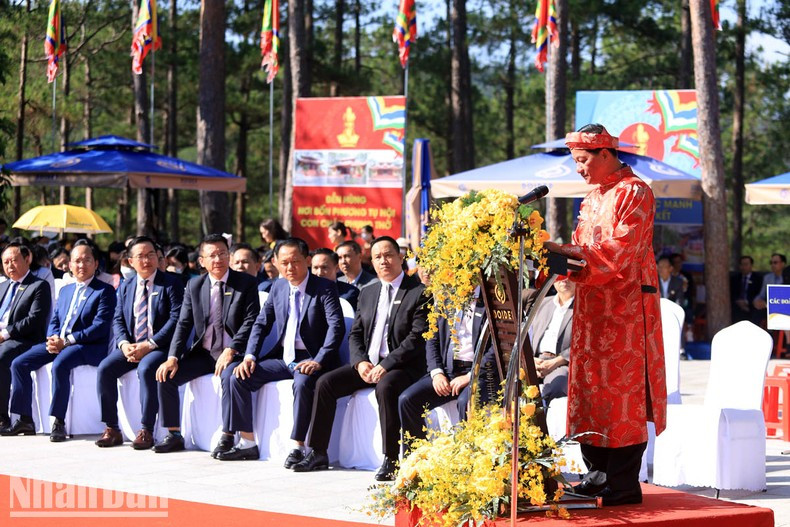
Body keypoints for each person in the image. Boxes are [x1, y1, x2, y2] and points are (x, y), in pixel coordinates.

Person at [543, 124, 666, 506]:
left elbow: (619, 249)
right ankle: (596, 474)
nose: (579, 169)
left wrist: (563, 257)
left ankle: (625, 483)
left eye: (582, 161)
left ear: (605, 154)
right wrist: (550, 251)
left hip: (627, 307)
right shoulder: (593, 197)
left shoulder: (635, 192)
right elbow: (582, 246)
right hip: (594, 306)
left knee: (623, 395)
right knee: (591, 389)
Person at [293, 236, 429, 481]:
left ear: (401, 257)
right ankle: (318, 451)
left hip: (403, 367)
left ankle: (391, 458)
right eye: (377, 257)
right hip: (369, 364)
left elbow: (416, 339)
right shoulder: (368, 292)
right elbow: (355, 334)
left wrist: (385, 365)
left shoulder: (419, 292)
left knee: (386, 387)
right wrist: (360, 362)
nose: (383, 261)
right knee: (326, 383)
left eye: (388, 255)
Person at [212, 238, 344, 463]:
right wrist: (250, 356)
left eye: (296, 261)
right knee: (238, 375)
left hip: (312, 358)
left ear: (308, 260)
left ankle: (298, 447)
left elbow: (336, 327)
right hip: (284, 357)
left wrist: (319, 360)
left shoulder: (324, 287)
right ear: (275, 262)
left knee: (303, 382)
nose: (290, 268)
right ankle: (247, 443)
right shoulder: (279, 286)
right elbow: (261, 324)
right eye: (284, 263)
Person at [153, 234, 259, 453]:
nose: (218, 259)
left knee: (231, 377)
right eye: (212, 255)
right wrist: (172, 357)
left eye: (222, 253)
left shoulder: (245, 283)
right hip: (205, 353)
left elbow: (251, 321)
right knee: (166, 374)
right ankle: (173, 433)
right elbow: (183, 324)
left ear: (229, 256)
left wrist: (232, 349)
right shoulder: (194, 285)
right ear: (201, 261)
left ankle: (228, 435)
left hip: (233, 353)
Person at [4, 240, 117, 441]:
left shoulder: (105, 290)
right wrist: (53, 338)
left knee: (60, 364)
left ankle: (58, 421)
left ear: (96, 264)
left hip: (88, 346)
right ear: (70, 265)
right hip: (60, 343)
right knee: (19, 363)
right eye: (77, 261)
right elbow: (55, 319)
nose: (81, 265)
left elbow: (100, 327)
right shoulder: (66, 290)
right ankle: (24, 420)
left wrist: (68, 341)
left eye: (86, 260)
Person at [94, 237, 184, 450]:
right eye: (141, 256)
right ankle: (112, 428)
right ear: (130, 261)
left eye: (151, 254)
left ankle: (146, 429)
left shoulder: (171, 283)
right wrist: (124, 344)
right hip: (132, 346)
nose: (146, 260)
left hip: (160, 347)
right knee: (105, 369)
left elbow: (176, 319)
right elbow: (117, 318)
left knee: (146, 369)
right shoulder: (126, 286)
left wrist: (150, 344)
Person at [398, 290, 493, 451]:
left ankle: (470, 460)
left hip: (480, 372)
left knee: (466, 402)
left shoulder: (490, 301)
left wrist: (472, 375)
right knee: (408, 400)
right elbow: (432, 340)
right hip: (448, 370)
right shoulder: (446, 299)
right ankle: (417, 461)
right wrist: (437, 372)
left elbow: (496, 350)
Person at [0, 242, 52, 432]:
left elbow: (35, 319)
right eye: (5, 262)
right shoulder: (3, 285)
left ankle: (3, 418)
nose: (10, 266)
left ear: (27, 259)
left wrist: (5, 334)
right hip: (4, 337)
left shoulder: (39, 285)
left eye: (14, 260)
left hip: (25, 339)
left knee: (1, 357)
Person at [529, 279, 575, 404]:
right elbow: (527, 334)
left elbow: (585, 341)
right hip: (536, 361)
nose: (565, 279)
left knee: (556, 386)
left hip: (563, 363)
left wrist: (556, 362)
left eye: (571, 275)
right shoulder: (543, 303)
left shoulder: (584, 306)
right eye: (561, 275)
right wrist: (529, 359)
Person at [730, 255, 762, 323]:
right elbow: (732, 293)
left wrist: (748, 303)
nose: (743, 267)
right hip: (737, 306)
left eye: (746, 264)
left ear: (751, 265)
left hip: (752, 306)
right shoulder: (735, 278)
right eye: (741, 264)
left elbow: (759, 294)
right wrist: (739, 302)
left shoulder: (758, 279)